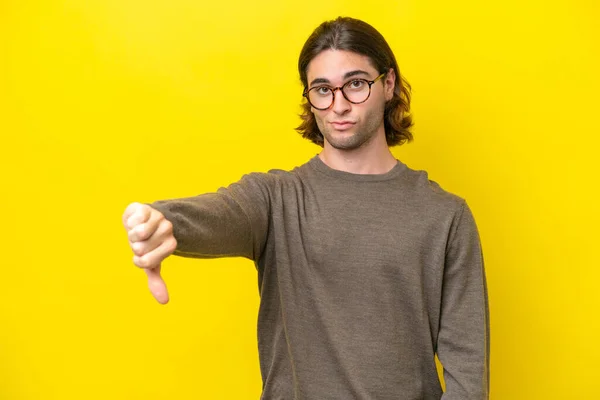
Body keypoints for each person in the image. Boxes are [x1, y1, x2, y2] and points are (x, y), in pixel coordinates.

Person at [122, 16, 490, 399]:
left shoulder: (445, 216)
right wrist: (162, 221)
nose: (339, 105)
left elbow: (468, 372)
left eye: (356, 84)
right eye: (322, 89)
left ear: (389, 84)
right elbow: (224, 212)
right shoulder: (277, 199)